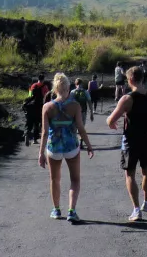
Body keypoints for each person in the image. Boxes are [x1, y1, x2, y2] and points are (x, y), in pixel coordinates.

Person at [107, 65, 147, 222]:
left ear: (131, 79)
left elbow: (111, 119)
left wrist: (112, 123)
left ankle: (136, 209)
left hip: (131, 142)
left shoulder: (127, 99)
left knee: (130, 174)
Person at [39, 72, 94, 223]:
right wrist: (89, 146)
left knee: (54, 179)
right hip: (71, 146)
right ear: (68, 88)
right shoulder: (75, 106)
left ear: (54, 89)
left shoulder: (47, 107)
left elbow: (44, 132)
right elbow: (81, 129)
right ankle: (71, 210)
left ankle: (56, 210)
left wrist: (41, 153)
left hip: (54, 147)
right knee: (75, 179)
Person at [26, 74, 50, 143]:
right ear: (43, 79)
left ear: (38, 79)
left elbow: (29, 95)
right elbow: (47, 97)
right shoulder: (45, 87)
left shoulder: (33, 85)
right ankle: (35, 139)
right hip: (39, 106)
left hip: (31, 106)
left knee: (30, 121)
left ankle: (27, 133)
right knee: (37, 122)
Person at [70, 79, 91, 147]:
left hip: (73, 113)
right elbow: (89, 102)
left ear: (75, 84)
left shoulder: (72, 92)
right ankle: (81, 143)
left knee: (74, 128)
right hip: (83, 112)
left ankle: (74, 143)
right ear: (82, 84)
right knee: (81, 128)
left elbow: (69, 103)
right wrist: (91, 113)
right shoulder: (85, 92)